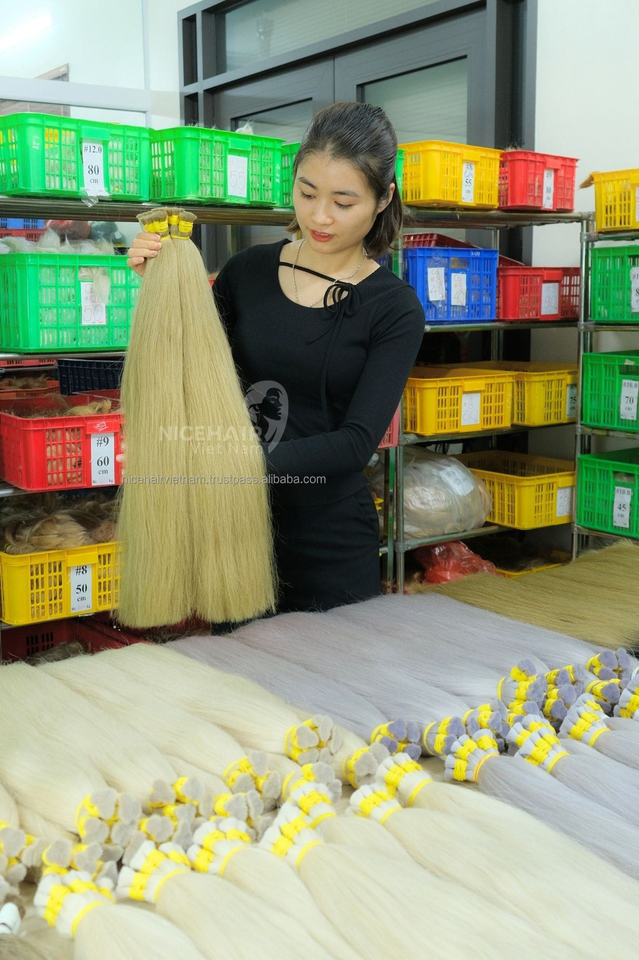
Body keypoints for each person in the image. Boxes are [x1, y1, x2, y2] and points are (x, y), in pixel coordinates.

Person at [128, 101, 425, 612]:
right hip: (230, 537)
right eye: (307, 193)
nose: (319, 216)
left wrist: (236, 465)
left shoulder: (393, 308)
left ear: (383, 199)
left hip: (327, 541)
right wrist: (160, 286)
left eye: (343, 201)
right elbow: (194, 372)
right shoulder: (247, 272)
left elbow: (355, 443)